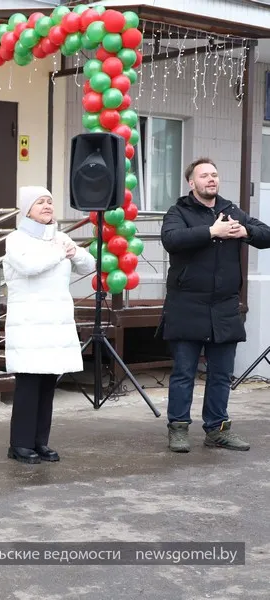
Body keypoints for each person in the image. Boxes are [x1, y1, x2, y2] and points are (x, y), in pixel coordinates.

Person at [160, 157, 270, 452]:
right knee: (184, 372)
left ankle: (217, 429)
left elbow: (267, 235)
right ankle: (179, 428)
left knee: (221, 374)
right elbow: (171, 239)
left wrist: (246, 231)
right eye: (204, 175)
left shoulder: (231, 211)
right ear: (191, 183)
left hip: (224, 307)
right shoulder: (178, 211)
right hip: (187, 305)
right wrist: (212, 232)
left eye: (214, 175)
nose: (211, 179)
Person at [3, 186, 95, 464]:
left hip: (55, 324)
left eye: (50, 201)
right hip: (30, 324)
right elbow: (30, 267)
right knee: (29, 385)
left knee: (47, 386)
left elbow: (88, 264)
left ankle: (40, 442)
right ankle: (19, 444)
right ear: (27, 209)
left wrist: (73, 252)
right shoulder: (16, 239)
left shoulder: (60, 237)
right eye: (40, 202)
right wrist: (58, 252)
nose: (47, 206)